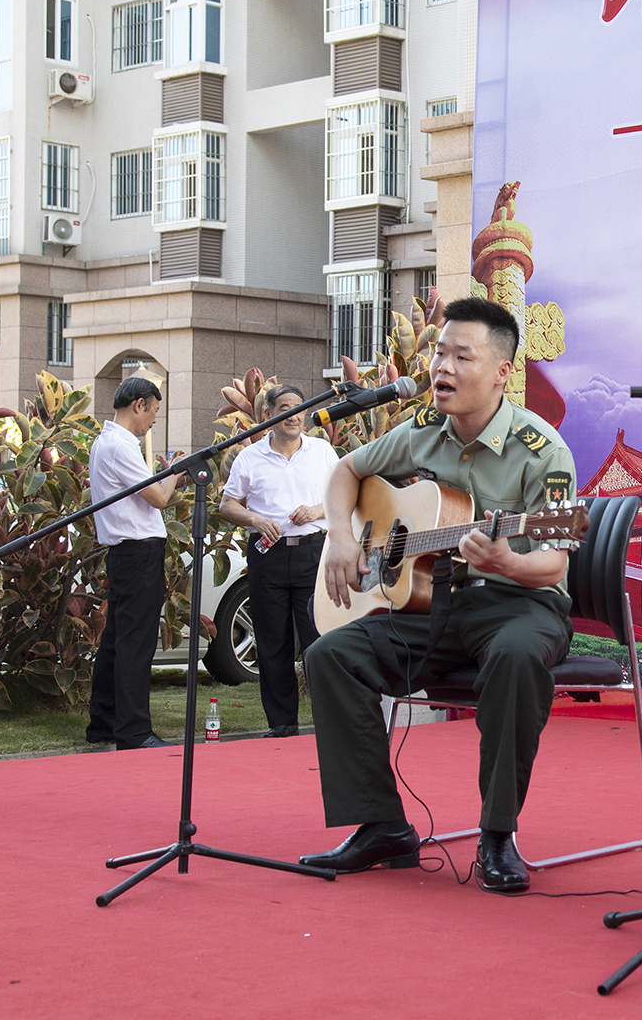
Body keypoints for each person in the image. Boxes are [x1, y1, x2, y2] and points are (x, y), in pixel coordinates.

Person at [298, 297, 578, 894]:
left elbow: (554, 563)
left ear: (502, 370)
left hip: (521, 603)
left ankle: (498, 832)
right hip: (437, 604)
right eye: (439, 353)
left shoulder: (544, 450)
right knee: (330, 657)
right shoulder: (424, 428)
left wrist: (506, 560)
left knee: (516, 656)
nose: (441, 368)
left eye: (461, 356)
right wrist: (341, 536)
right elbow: (346, 470)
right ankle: (382, 826)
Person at [217, 385, 332, 737]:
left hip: (313, 551)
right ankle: (282, 724)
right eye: (285, 407)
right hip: (268, 553)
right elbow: (227, 505)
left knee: (320, 638)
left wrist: (315, 510)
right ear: (269, 414)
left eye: (300, 408)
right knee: (273, 641)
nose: (294, 415)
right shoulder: (249, 458)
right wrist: (255, 519)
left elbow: (348, 496)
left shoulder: (323, 451)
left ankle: (330, 721)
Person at [86, 377, 185, 751]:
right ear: (139, 405)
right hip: (137, 551)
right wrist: (176, 470)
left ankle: (105, 724)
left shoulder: (108, 442)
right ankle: (133, 731)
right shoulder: (119, 445)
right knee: (134, 643)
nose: (154, 421)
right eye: (154, 411)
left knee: (116, 641)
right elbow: (159, 498)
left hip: (128, 553)